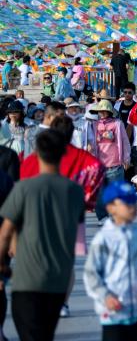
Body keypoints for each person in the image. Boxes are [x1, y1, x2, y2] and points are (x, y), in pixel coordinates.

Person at [0, 129, 85, 341]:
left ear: (36, 153)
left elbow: (5, 232)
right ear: (63, 153)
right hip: (58, 280)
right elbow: (78, 240)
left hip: (27, 280)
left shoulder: (23, 188)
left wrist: (1, 266)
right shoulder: (75, 191)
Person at [83, 181, 137, 341]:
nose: (132, 206)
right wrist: (105, 296)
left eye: (133, 201)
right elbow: (91, 274)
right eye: (126, 202)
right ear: (110, 207)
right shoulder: (103, 239)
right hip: (113, 314)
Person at [88, 98, 133, 222]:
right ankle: (102, 217)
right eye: (100, 111)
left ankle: (115, 215)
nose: (102, 113)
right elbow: (89, 142)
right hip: (99, 165)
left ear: (109, 111)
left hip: (115, 164)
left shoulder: (117, 123)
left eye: (104, 111)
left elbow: (124, 141)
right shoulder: (94, 125)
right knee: (99, 193)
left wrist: (126, 158)